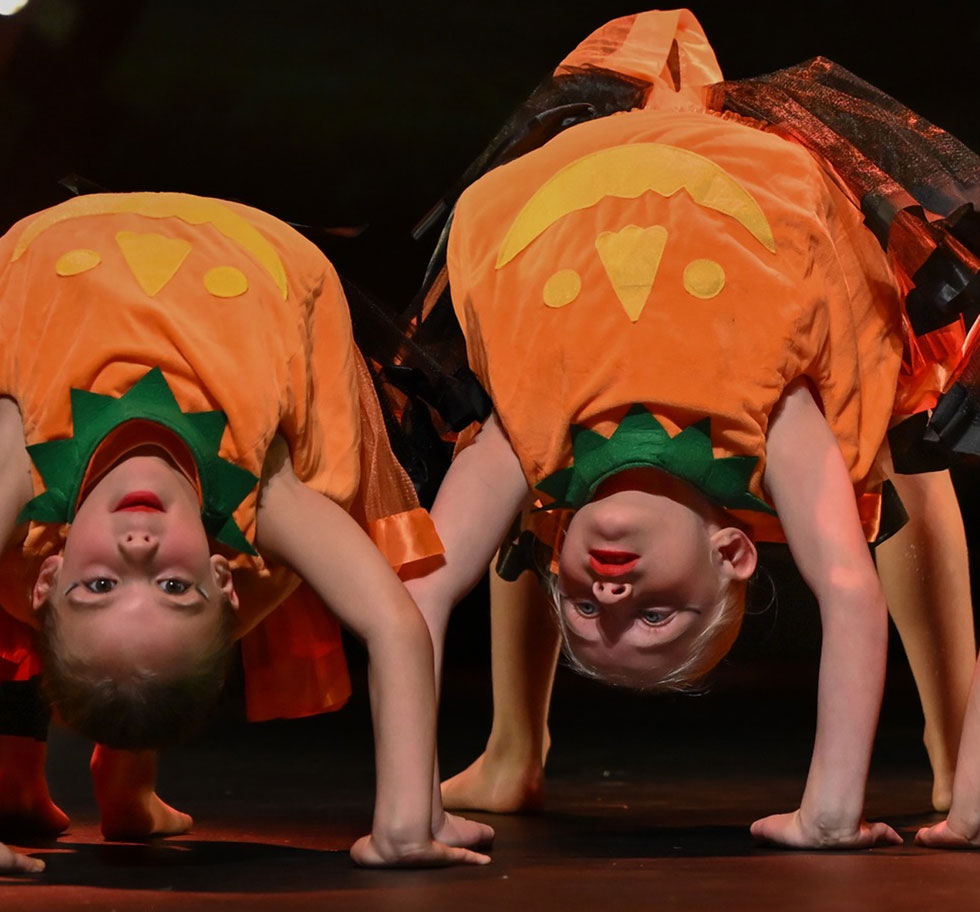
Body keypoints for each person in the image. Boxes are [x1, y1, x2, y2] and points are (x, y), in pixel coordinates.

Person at [399, 9, 980, 849]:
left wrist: (405, 798)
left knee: (500, 457)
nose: (609, 599)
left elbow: (416, 589)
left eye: (582, 611)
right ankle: (957, 742)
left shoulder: (530, 450)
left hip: (579, 183)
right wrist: (828, 812)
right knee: (896, 434)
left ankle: (510, 747)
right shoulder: (769, 423)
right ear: (732, 553)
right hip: (758, 193)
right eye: (656, 617)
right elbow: (849, 593)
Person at [0, 191, 492, 872]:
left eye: (100, 584)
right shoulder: (267, 484)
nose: (137, 548)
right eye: (172, 584)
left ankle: (124, 776)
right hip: (248, 261)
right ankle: (128, 782)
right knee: (147, 652)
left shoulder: (18, 458)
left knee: (126, 648)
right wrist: (404, 825)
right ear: (221, 576)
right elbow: (393, 623)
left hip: (56, 254)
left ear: (51, 574)